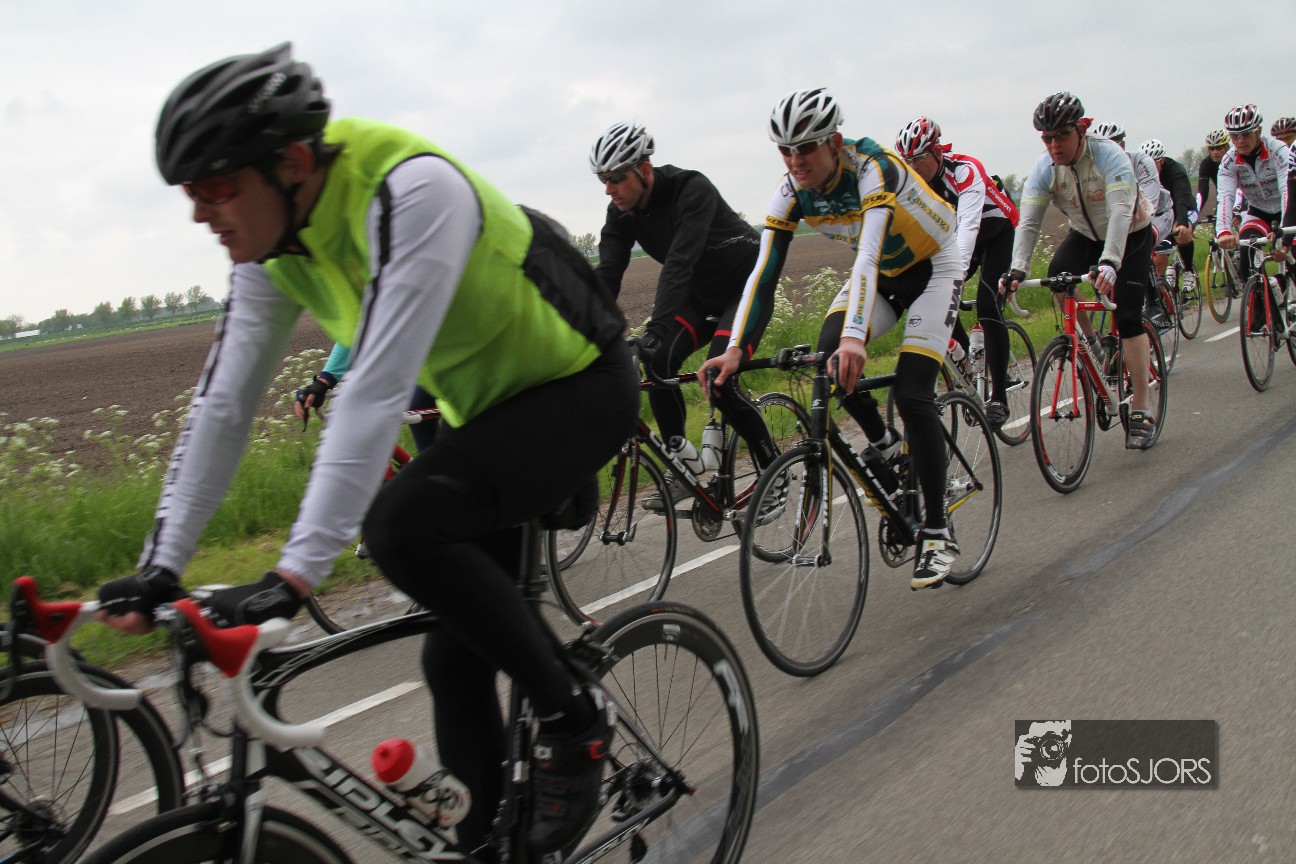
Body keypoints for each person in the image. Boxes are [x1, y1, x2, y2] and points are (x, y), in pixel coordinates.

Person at [93, 44, 638, 859]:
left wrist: (293, 577)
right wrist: (162, 564)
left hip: (579, 382)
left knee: (400, 528)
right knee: (453, 663)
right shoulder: (271, 248)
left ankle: (574, 719)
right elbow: (224, 404)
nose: (201, 214)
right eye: (189, 193)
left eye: (215, 187)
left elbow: (375, 391)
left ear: (292, 162)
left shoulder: (412, 190)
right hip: (486, 411)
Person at [700, 87, 962, 590]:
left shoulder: (873, 168)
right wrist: (736, 349)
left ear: (835, 143)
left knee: (913, 393)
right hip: (884, 275)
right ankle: (886, 445)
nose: (795, 160)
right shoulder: (790, 191)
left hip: (933, 267)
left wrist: (856, 337)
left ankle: (937, 532)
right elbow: (763, 275)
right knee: (828, 359)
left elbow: (867, 254)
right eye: (786, 150)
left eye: (806, 148)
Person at [589, 121, 779, 510]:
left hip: (743, 291)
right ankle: (682, 466)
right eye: (602, 179)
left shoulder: (691, 188)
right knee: (657, 361)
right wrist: (586, 334)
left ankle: (774, 472)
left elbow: (679, 262)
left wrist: (657, 328)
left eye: (615, 177)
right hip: (700, 296)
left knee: (719, 380)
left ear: (644, 169)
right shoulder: (621, 212)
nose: (608, 188)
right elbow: (607, 276)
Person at [1003, 92, 1159, 450]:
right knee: (1058, 277)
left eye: (1061, 136)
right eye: (1047, 138)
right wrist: (1017, 269)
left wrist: (1111, 262)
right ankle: (1093, 344)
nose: (1054, 146)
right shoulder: (1044, 168)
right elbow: (1029, 223)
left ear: (1081, 130)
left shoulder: (1110, 155)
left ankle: (1141, 408)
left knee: (1129, 316)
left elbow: (1120, 212)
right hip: (1086, 235)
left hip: (1131, 235)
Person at [894, 115, 1020, 428]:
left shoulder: (965, 170)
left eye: (918, 159)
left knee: (988, 307)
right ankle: (968, 367)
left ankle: (999, 397)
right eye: (907, 161)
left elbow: (968, 226)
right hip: (961, 238)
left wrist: (955, 275)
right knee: (936, 302)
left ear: (937, 152)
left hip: (996, 233)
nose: (913, 167)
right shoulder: (912, 185)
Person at [1214, 104, 1293, 323]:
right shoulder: (1229, 161)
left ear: (1258, 131)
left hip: (1288, 208)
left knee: (1291, 250)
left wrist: (1285, 233)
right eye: (1234, 136)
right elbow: (1225, 197)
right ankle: (1260, 305)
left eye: (1245, 134)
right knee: (1247, 248)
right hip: (1259, 211)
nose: (1240, 141)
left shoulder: (1279, 151)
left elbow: (1288, 191)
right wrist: (1224, 231)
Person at [1092, 122, 1174, 331]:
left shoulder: (1141, 162)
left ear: (1122, 145)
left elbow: (1149, 205)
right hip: (1124, 221)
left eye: (1113, 144)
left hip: (1156, 215)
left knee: (1140, 242)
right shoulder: (1096, 170)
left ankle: (1155, 303)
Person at [1139, 138, 1199, 297]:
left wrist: (1181, 223)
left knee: (1182, 233)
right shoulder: (1141, 173)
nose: (1148, 168)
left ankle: (1188, 271)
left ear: (1162, 161)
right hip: (1162, 215)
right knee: (1159, 256)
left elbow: (1181, 199)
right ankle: (1162, 292)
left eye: (1153, 164)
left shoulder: (1175, 172)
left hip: (1184, 209)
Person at [1196, 128, 1232, 221]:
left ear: (1227, 147)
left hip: (1244, 197)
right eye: (1211, 149)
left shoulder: (1236, 159)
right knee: (1219, 226)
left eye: (1219, 148)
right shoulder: (1206, 164)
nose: (1215, 152)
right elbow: (1202, 192)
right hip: (1223, 199)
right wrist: (1195, 213)